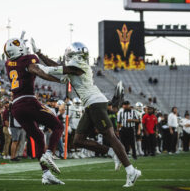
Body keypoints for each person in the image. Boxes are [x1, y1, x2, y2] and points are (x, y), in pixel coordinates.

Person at [31, 40, 141, 188]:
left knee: (110, 136)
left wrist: (40, 66)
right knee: (78, 140)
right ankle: (112, 153)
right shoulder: (73, 68)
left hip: (96, 102)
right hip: (90, 105)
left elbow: (57, 69)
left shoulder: (80, 66)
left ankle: (131, 170)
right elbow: (54, 70)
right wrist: (39, 55)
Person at [4, 38, 65, 185]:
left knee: (38, 136)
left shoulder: (8, 64)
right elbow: (36, 70)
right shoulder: (27, 60)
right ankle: (49, 154)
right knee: (58, 126)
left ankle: (46, 174)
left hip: (17, 107)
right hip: (28, 101)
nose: (25, 47)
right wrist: (58, 80)